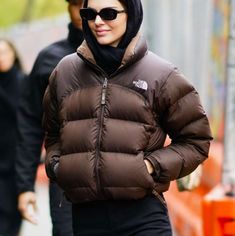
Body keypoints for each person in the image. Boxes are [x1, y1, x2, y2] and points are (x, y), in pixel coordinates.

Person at [43, 0, 213, 235]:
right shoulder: (65, 72)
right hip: (86, 218)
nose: (98, 21)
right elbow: (53, 133)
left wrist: (151, 166)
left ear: (131, 14)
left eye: (109, 13)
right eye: (89, 14)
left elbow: (196, 140)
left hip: (143, 217)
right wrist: (59, 167)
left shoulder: (160, 74)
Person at [15, 0, 84, 235]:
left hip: (122, 185)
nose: (83, 11)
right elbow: (29, 124)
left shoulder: (129, 59)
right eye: (76, 4)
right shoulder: (49, 60)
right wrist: (25, 186)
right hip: (66, 183)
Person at [0, 39, 26, 236]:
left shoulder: (24, 82)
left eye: (4, 52)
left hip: (16, 158)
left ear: (13, 54)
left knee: (11, 214)